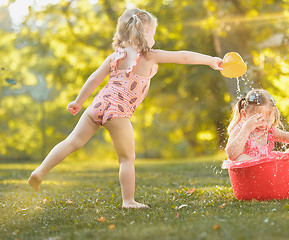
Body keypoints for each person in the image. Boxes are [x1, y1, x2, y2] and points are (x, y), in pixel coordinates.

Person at [28, 8, 223, 209]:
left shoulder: (115, 56)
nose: (154, 38)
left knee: (72, 141)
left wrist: (78, 101)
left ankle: (40, 172)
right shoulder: (150, 57)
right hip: (118, 112)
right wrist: (210, 60)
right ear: (145, 34)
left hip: (98, 104)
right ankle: (128, 201)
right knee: (126, 158)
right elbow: (182, 57)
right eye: (153, 33)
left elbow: (94, 78)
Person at [224, 89, 289, 163]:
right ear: (244, 114)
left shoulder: (269, 131)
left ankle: (286, 180)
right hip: (247, 177)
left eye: (268, 120)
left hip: (266, 174)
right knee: (242, 158)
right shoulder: (240, 129)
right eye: (258, 120)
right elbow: (231, 155)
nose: (263, 125)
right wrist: (246, 129)